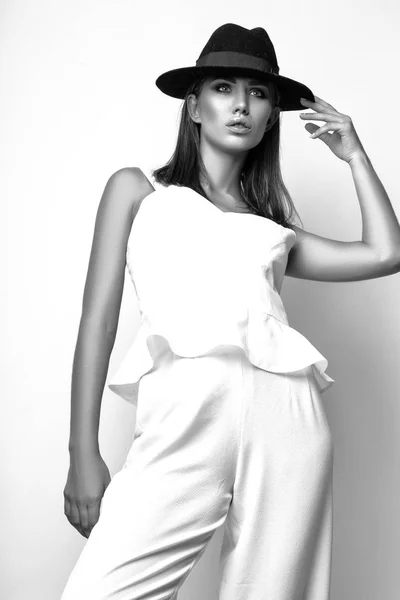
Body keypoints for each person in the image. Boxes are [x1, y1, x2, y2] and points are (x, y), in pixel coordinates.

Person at [61, 22, 400, 600]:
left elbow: (385, 253)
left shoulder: (272, 229)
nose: (241, 104)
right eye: (223, 88)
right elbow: (98, 321)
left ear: (271, 117)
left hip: (286, 420)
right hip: (184, 418)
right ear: (193, 106)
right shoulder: (137, 190)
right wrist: (82, 451)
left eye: (259, 94)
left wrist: (355, 154)